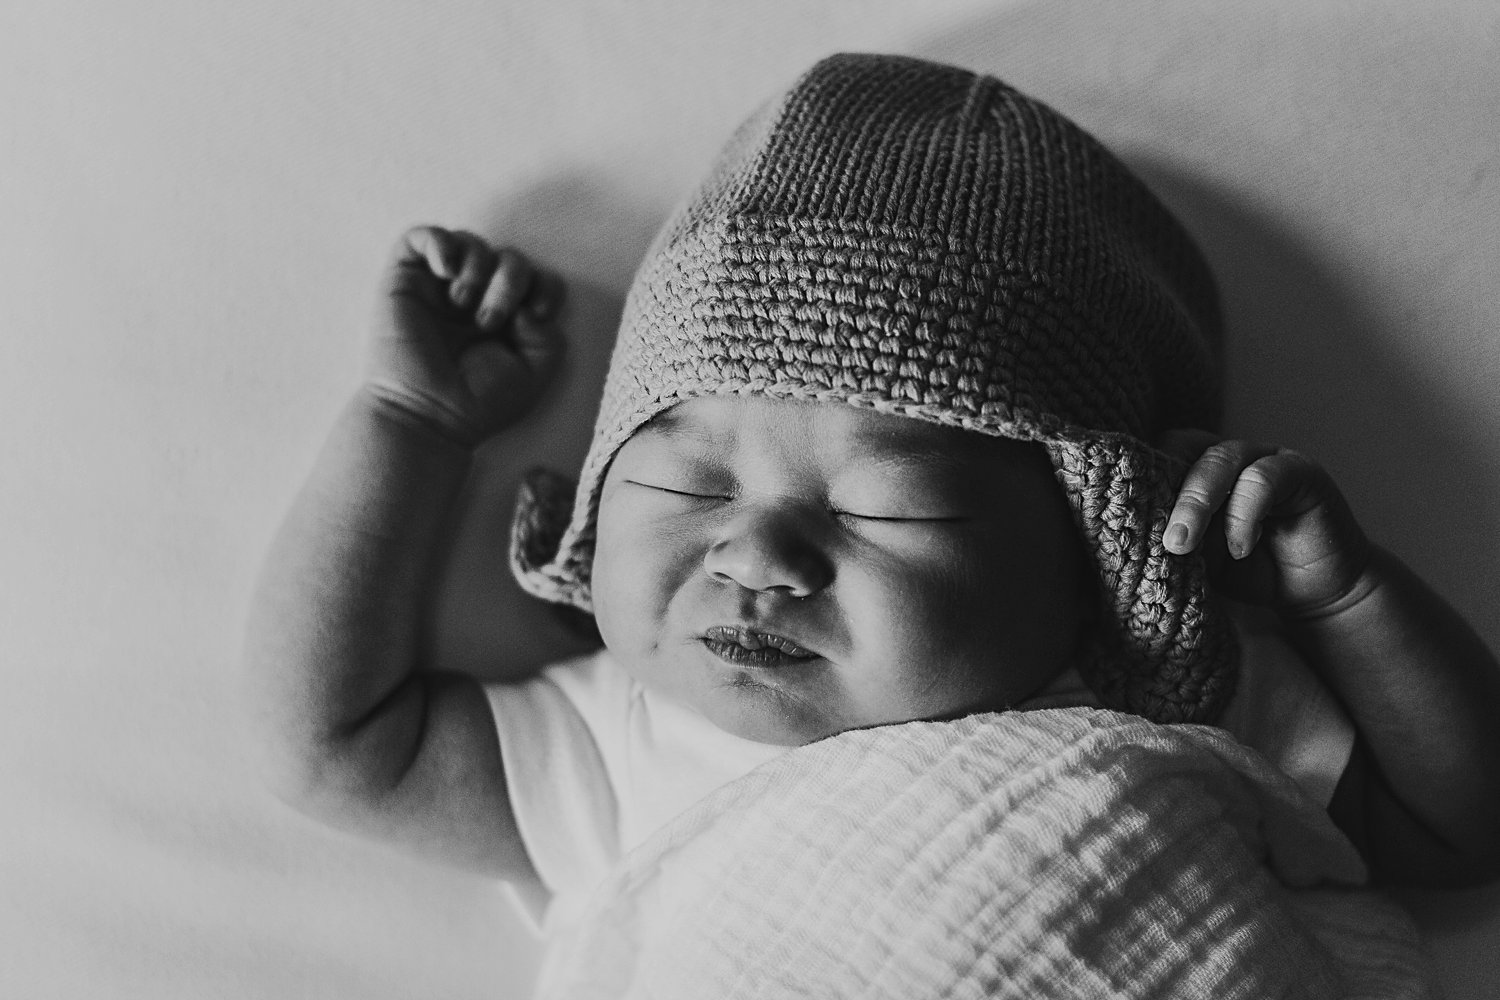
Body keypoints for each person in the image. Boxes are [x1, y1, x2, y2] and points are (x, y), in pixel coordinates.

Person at [243, 52, 1500, 991]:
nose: (756, 552)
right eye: (685, 484)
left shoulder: (1169, 705)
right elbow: (337, 745)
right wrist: (408, 420)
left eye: (886, 504)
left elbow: (1456, 829)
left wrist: (1349, 601)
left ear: (1089, 554)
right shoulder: (624, 746)